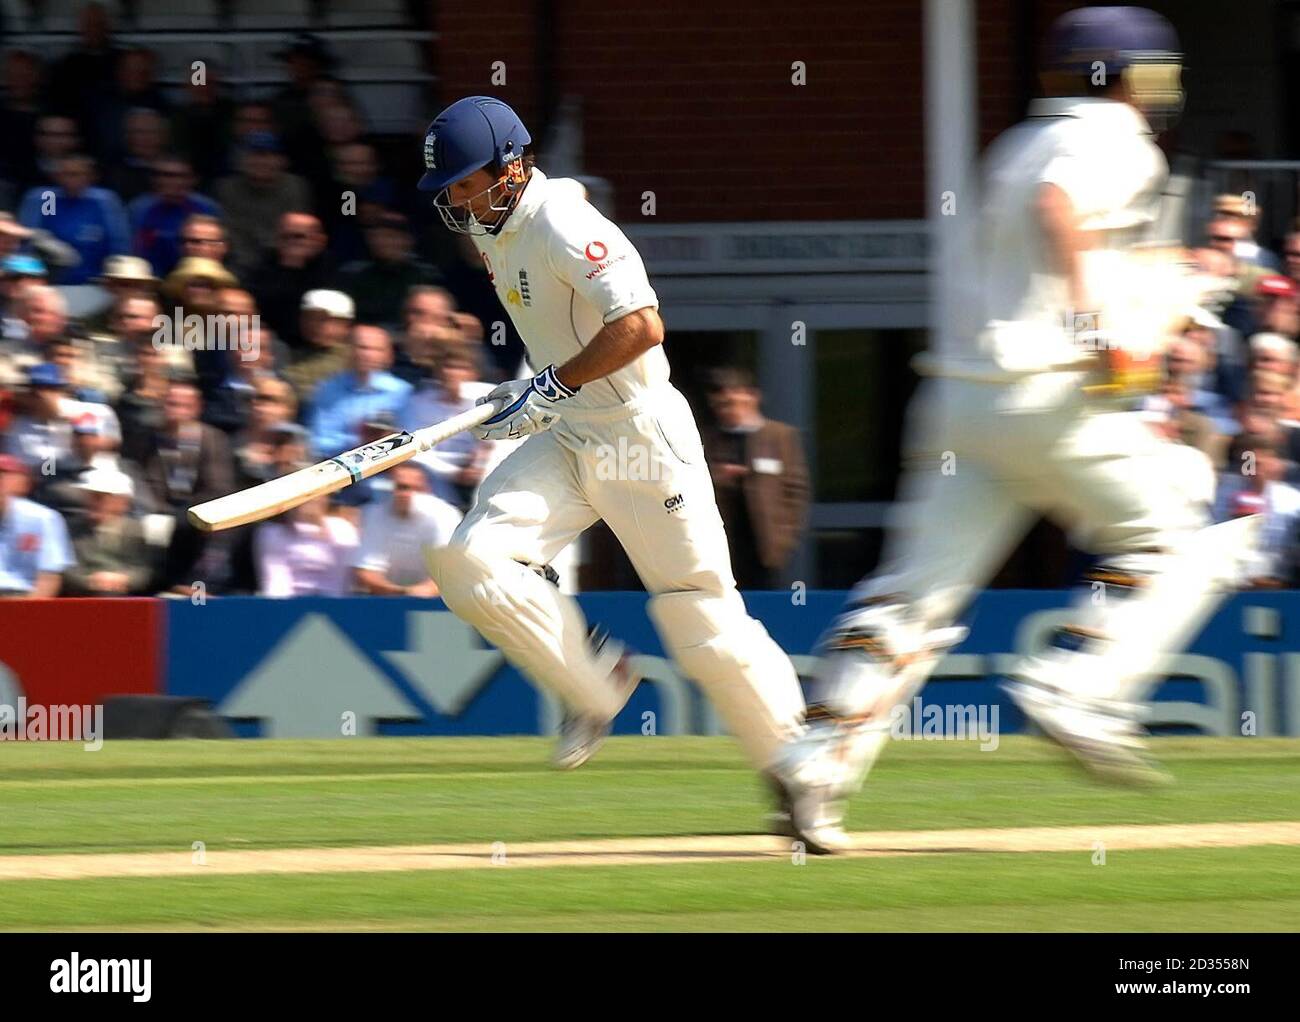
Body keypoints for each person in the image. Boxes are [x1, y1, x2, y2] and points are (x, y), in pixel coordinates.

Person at [776, 8, 1261, 852]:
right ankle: (1081, 686)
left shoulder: (1009, 147)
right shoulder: (1113, 137)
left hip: (962, 403)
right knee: (1186, 542)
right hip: (1046, 396)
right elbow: (1060, 208)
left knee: (911, 599)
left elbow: (1061, 232)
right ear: (1114, 76)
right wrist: (1096, 330)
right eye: (1146, 74)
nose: (1154, 93)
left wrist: (1177, 279)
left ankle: (815, 758)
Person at [417, 96, 805, 796]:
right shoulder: (491, 227)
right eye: (449, 188)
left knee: (699, 615)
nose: (456, 199)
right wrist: (529, 394)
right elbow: (556, 334)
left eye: (465, 182)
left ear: (511, 166)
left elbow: (642, 326)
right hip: (571, 436)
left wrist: (552, 388)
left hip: (640, 433)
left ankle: (799, 765)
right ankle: (596, 686)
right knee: (469, 561)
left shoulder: (566, 221)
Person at [701, 367, 809, 589]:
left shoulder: (779, 436)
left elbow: (796, 489)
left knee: (768, 602)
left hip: (765, 544)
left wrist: (784, 539)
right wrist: (719, 477)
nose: (727, 410)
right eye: (721, 405)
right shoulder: (710, 439)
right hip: (723, 543)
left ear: (751, 397)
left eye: (732, 403)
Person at [353, 461, 462, 595]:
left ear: (426, 491)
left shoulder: (446, 515)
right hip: (387, 598)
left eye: (412, 488)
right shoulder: (373, 514)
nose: (404, 494)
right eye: (400, 487)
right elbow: (366, 570)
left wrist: (418, 594)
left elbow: (446, 573)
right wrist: (402, 593)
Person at [62, 466, 155, 596]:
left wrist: (124, 579)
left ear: (122, 502)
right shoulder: (71, 528)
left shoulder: (134, 530)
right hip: (81, 596)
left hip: (123, 596)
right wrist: (91, 581)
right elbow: (65, 568)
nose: (92, 503)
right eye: (89, 497)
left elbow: (144, 571)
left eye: (100, 497)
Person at [0, 454, 73, 598]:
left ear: (21, 483)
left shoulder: (42, 518)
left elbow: (49, 577)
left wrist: (28, 614)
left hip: (20, 599)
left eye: (2, 476)